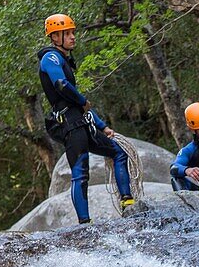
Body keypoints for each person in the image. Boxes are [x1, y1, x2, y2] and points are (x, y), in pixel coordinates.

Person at [38, 13, 134, 225]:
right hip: (71, 126)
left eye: (73, 32)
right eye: (68, 33)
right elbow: (61, 86)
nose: (73, 37)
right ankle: (85, 223)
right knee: (80, 173)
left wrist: (102, 126)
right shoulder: (50, 57)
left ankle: (128, 202)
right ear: (55, 38)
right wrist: (82, 100)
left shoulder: (63, 59)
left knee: (119, 152)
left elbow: (80, 106)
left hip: (80, 122)